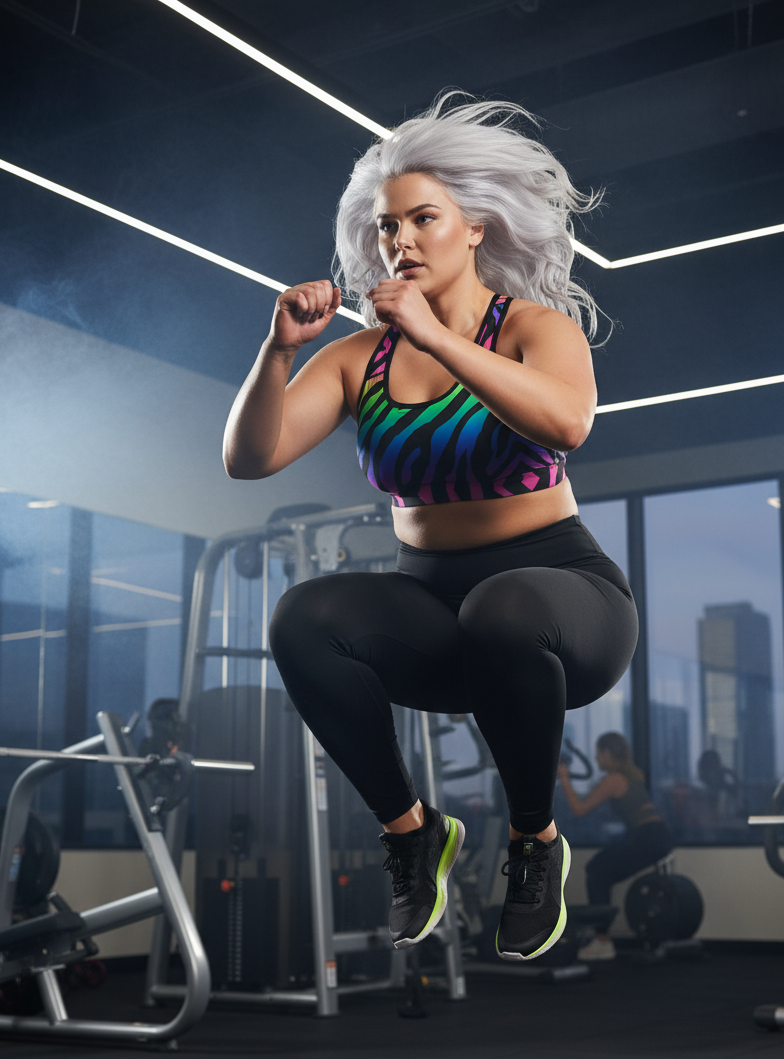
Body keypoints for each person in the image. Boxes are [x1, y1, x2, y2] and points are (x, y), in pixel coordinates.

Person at [223, 95, 638, 962]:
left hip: (562, 606)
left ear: (475, 228)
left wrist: (438, 336)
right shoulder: (358, 359)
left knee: (504, 606)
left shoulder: (535, 329)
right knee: (302, 618)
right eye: (387, 226)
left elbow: (566, 424)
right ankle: (412, 832)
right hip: (435, 613)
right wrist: (279, 350)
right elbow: (249, 459)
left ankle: (534, 843)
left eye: (423, 219)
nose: (400, 241)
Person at [558, 732, 672, 961]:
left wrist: (564, 779)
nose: (596, 758)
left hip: (647, 836)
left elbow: (579, 809)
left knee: (596, 871)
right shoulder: (633, 775)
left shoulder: (612, 779)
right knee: (602, 872)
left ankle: (602, 941)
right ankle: (601, 934)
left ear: (608, 753)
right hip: (658, 835)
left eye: (599, 753)